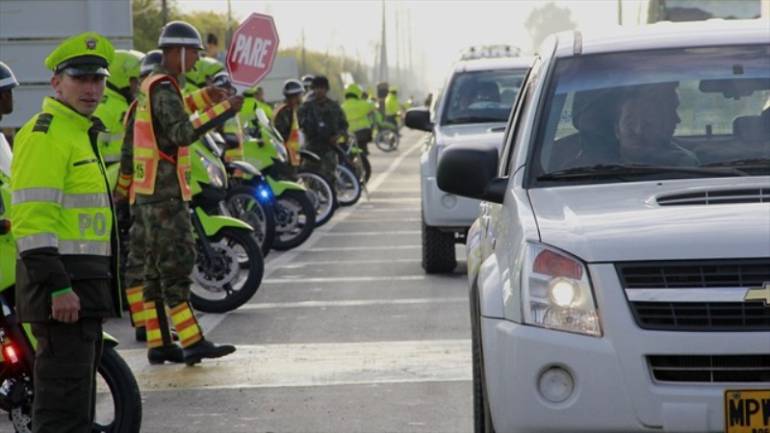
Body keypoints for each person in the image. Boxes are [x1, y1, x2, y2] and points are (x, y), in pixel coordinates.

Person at [10, 32, 121, 433]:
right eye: (80, 78)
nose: (91, 88)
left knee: (76, 411)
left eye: (98, 80)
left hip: (82, 294)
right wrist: (58, 286)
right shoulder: (47, 134)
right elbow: (33, 221)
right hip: (63, 297)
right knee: (60, 416)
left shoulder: (77, 132)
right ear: (57, 82)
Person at [123, 20, 242, 365]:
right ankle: (192, 341)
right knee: (176, 266)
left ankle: (160, 343)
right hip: (165, 195)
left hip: (150, 192)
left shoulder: (154, 85)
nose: (194, 62)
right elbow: (179, 132)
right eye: (193, 56)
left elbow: (171, 113)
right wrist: (223, 110)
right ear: (179, 51)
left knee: (155, 272)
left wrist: (206, 97)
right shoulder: (163, 86)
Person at [616, 83, 698, 167]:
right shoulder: (603, 169)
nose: (638, 131)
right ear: (616, 129)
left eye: (648, 123)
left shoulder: (683, 164)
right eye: (629, 122)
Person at [94, 50, 144, 164]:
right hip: (110, 174)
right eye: (135, 81)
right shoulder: (104, 108)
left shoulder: (121, 104)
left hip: (121, 173)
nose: (138, 86)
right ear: (122, 79)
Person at [298, 75, 348, 181]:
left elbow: (343, 125)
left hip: (329, 149)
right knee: (309, 178)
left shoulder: (334, 106)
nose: (319, 91)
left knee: (329, 178)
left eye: (322, 88)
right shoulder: (306, 107)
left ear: (326, 89)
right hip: (311, 147)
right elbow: (298, 124)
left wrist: (338, 136)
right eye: (316, 88)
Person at [273, 79, 305, 169]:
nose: (301, 98)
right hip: (286, 155)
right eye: (300, 95)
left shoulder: (287, 109)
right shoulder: (286, 111)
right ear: (294, 96)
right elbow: (282, 135)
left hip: (290, 154)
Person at [341, 83, 375, 154]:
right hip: (363, 133)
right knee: (363, 151)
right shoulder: (363, 103)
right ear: (358, 93)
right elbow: (372, 105)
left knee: (349, 151)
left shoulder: (342, 107)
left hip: (349, 134)